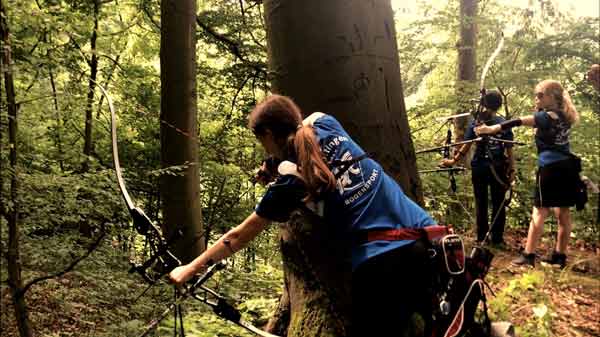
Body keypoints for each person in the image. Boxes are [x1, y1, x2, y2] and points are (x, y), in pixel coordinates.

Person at [169, 95, 438, 336]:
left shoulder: (290, 184)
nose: (265, 149)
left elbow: (238, 236)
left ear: (269, 134)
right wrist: (275, 164)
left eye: (263, 141)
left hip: (383, 267)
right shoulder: (328, 124)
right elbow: (306, 128)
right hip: (431, 243)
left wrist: (190, 268)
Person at [475, 80, 579, 268]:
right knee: (563, 213)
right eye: (536, 95)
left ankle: (529, 255)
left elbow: (520, 121)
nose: (536, 98)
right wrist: (538, 106)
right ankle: (559, 256)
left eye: (540, 95)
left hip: (550, 168)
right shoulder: (564, 115)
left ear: (553, 97)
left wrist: (493, 128)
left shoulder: (549, 116)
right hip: (568, 167)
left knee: (539, 212)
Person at [440, 90, 515, 245]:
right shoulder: (480, 122)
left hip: (494, 168)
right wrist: (453, 161)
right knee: (488, 202)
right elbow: (467, 146)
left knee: (493, 202)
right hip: (486, 167)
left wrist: (511, 170)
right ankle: (488, 238)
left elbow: (509, 148)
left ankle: (491, 238)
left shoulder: (495, 123)